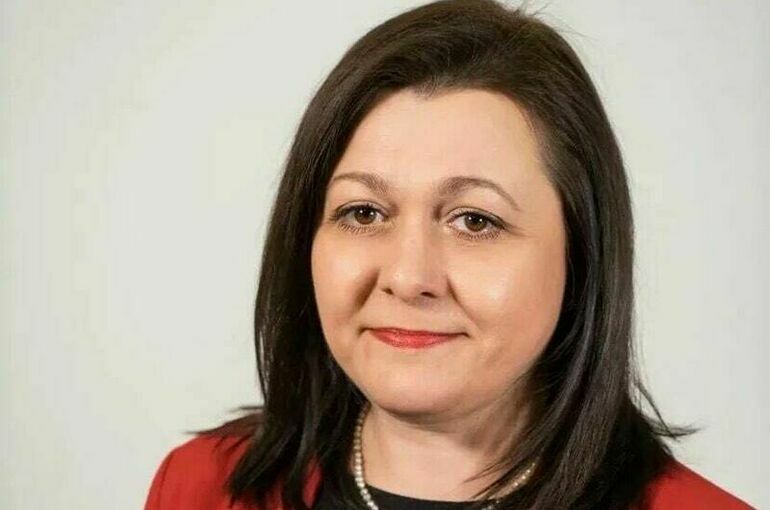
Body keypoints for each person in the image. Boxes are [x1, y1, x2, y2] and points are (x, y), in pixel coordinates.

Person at [144, 0, 754, 508]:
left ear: (582, 255)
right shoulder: (201, 486)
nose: (408, 277)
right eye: (364, 213)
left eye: (475, 221)